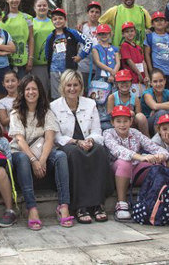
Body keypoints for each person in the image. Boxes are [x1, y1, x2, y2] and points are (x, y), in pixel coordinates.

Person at [8, 74, 71, 230]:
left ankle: (63, 206)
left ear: (40, 91)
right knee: (22, 157)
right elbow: (20, 141)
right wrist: (34, 161)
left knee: (61, 156)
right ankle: (32, 209)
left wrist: (41, 161)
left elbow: (50, 139)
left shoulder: (47, 112)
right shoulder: (15, 113)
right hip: (21, 154)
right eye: (27, 89)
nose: (31, 92)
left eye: (34, 89)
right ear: (22, 91)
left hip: (42, 152)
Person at [51, 70, 110, 224]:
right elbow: (57, 137)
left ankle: (98, 204)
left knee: (99, 150)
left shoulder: (90, 104)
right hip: (68, 145)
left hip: (87, 142)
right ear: (63, 87)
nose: (72, 89)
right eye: (68, 85)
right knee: (75, 154)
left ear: (81, 86)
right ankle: (80, 206)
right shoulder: (54, 106)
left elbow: (97, 131)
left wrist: (90, 140)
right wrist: (77, 142)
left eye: (75, 85)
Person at [104, 105, 169, 220]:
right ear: (112, 122)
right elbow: (118, 150)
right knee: (125, 162)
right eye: (118, 121)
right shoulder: (108, 133)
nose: (122, 124)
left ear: (131, 121)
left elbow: (153, 146)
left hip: (136, 170)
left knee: (157, 164)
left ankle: (154, 200)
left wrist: (160, 155)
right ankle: (121, 203)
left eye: (125, 121)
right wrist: (140, 157)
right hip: (117, 171)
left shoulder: (135, 133)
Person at [45, 8, 90, 100]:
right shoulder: (50, 37)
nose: (58, 21)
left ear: (65, 20)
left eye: (60, 18)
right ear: (52, 21)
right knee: (56, 96)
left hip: (69, 69)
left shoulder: (72, 33)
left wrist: (80, 56)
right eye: (55, 19)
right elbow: (47, 52)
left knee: (71, 93)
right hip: (54, 70)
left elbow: (88, 42)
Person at [0, 0, 34, 78]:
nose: (14, 0)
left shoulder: (27, 18)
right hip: (4, 60)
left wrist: (30, 58)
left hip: (22, 59)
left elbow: (31, 39)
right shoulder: (0, 17)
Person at [141, 68, 169, 134]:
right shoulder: (147, 93)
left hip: (165, 117)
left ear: (165, 81)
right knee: (162, 112)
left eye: (161, 81)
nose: (158, 84)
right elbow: (155, 106)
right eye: (155, 81)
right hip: (149, 121)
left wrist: (161, 106)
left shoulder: (166, 92)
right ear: (150, 83)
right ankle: (158, 141)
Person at [144, 11, 169, 90]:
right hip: (157, 72)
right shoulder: (150, 37)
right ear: (153, 24)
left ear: (165, 23)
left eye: (161, 20)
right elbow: (147, 54)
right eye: (156, 21)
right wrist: (151, 70)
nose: (159, 22)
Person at [105, 69, 149, 135]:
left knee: (141, 116)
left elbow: (138, 115)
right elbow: (110, 115)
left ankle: (146, 138)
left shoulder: (135, 98)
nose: (124, 84)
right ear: (117, 84)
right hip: (118, 124)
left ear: (131, 83)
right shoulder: (112, 97)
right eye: (121, 82)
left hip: (131, 123)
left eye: (126, 81)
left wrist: (130, 115)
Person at [31, 0, 54, 93]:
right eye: (39, 5)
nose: (42, 8)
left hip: (54, 63)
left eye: (44, 5)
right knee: (40, 91)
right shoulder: (30, 22)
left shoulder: (54, 21)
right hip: (37, 64)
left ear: (48, 7)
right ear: (34, 8)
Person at [78, 1, 102, 88]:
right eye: (92, 11)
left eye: (97, 12)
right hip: (84, 65)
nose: (94, 14)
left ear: (100, 14)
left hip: (99, 65)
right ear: (87, 13)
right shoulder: (81, 28)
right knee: (83, 90)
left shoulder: (102, 27)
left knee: (98, 93)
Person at [119, 22, 149, 92]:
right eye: (127, 32)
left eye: (132, 31)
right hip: (132, 78)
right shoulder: (124, 45)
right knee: (134, 98)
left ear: (135, 32)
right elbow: (129, 61)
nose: (130, 33)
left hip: (142, 78)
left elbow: (143, 62)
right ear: (123, 34)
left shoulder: (138, 47)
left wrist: (147, 76)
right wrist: (138, 73)